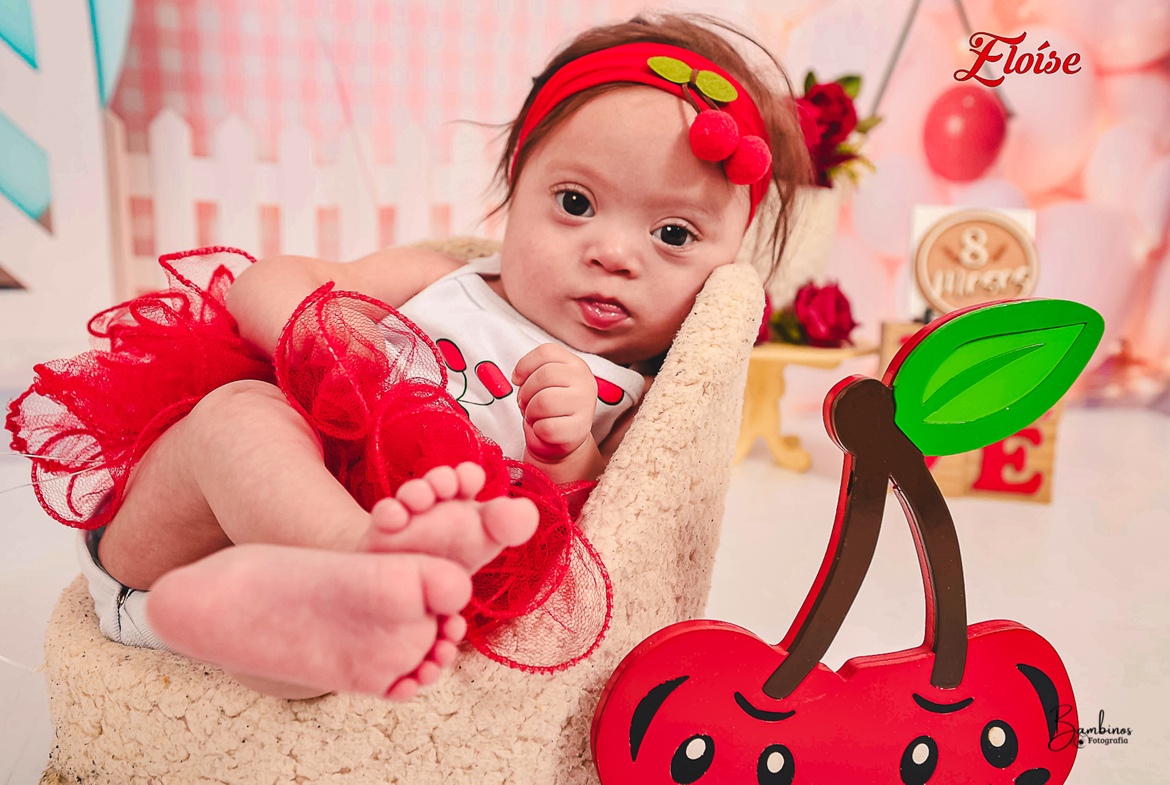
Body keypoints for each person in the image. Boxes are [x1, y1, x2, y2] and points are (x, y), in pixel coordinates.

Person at [7, 12, 809, 701]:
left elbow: (596, 542)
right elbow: (262, 282)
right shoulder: (445, 278)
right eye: (575, 203)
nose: (613, 253)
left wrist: (568, 451)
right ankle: (358, 560)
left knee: (324, 661)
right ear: (513, 195)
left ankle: (284, 619)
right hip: (174, 540)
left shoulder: (628, 399)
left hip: (295, 611)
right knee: (241, 417)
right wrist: (319, 333)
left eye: (672, 234)